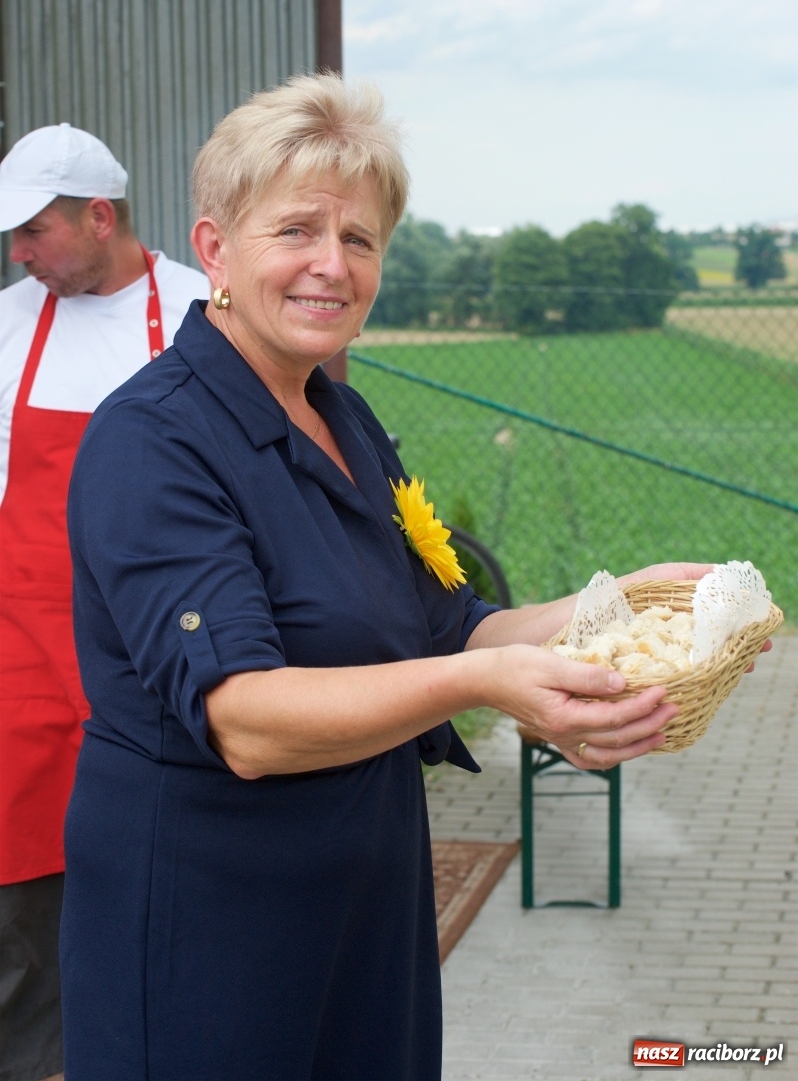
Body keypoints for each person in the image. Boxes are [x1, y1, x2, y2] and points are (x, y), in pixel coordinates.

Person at [60, 75, 717, 1081]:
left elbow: (451, 626)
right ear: (214, 250)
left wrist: (623, 604)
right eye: (297, 230)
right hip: (210, 924)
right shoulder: (154, 441)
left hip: (365, 907)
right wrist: (483, 686)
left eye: (360, 239)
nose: (333, 265)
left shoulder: (344, 418)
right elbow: (246, 721)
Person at [0, 123, 209, 1081]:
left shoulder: (205, 312)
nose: (19, 253)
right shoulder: (8, 325)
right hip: (26, 665)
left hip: (164, 657)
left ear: (99, 216)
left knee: (167, 889)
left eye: (34, 231)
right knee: (22, 910)